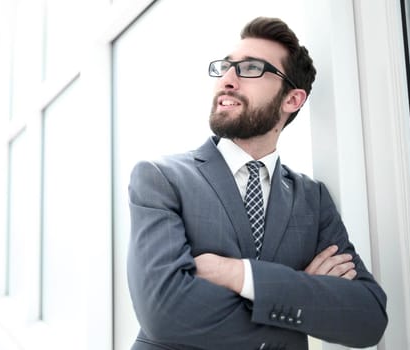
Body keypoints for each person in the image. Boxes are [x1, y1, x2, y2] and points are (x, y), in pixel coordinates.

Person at [126, 16, 387, 350]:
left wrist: (239, 275)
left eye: (250, 69)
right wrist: (301, 296)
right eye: (226, 67)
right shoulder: (161, 178)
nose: (228, 80)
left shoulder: (313, 199)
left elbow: (368, 320)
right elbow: (164, 312)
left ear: (292, 99)